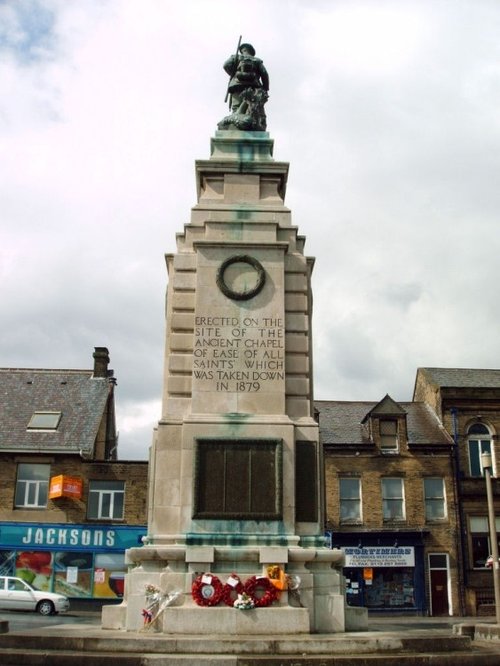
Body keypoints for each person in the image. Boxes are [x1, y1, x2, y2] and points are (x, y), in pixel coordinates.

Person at [218, 42, 269, 131]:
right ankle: (252, 125)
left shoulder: (235, 57)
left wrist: (233, 73)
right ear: (251, 51)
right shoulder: (257, 60)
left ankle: (236, 127)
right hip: (253, 87)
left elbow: (226, 65)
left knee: (236, 108)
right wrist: (265, 88)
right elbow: (264, 74)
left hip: (236, 85)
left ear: (242, 50)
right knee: (252, 107)